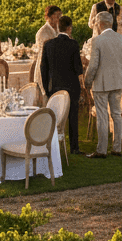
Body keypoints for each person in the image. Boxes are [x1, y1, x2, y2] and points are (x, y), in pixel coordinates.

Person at [83, 10, 122, 158]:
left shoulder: (97, 40)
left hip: (101, 83)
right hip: (117, 81)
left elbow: (93, 66)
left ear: (100, 24)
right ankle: (117, 148)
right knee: (116, 115)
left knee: (103, 116)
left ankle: (102, 150)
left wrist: (87, 81)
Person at [39, 15, 84, 154]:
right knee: (72, 117)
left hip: (55, 87)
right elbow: (78, 68)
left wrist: (47, 89)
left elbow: (43, 69)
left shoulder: (48, 44)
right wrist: (82, 87)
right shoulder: (73, 44)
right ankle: (74, 147)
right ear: (69, 28)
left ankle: (52, 145)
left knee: (54, 117)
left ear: (58, 28)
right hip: (71, 86)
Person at [34, 5, 62, 95]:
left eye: (60, 16)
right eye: (57, 15)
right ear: (48, 17)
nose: (59, 18)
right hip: (46, 69)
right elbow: (47, 53)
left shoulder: (60, 29)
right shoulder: (42, 32)